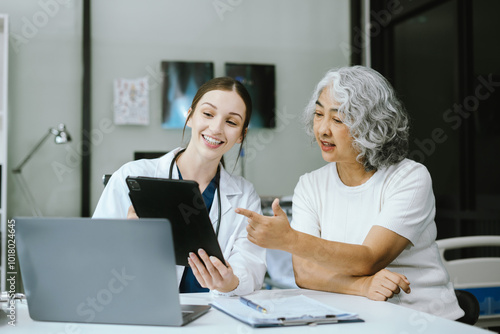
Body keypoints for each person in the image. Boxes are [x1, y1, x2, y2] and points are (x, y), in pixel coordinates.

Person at [236, 66, 464, 320]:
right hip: (354, 318)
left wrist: (288, 239)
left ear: (372, 124)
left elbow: (369, 259)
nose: (322, 129)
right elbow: (305, 274)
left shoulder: (409, 178)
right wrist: (362, 287)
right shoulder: (310, 185)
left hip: (423, 318)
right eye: (319, 114)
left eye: (337, 119)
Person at [93, 76, 266, 296]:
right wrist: (129, 242)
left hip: (215, 320)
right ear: (190, 115)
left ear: (242, 135)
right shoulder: (131, 176)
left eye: (231, 122)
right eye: (208, 114)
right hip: (145, 312)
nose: (216, 128)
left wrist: (230, 282)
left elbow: (251, 267)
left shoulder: (244, 196)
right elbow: (96, 255)